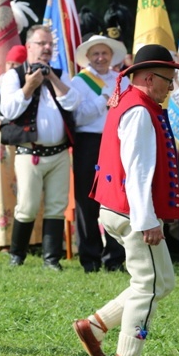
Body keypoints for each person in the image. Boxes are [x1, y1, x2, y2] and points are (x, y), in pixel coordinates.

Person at [73, 44, 179, 356]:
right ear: (149, 78)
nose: (172, 86)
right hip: (132, 212)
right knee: (148, 285)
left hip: (121, 208)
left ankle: (95, 326)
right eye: (168, 79)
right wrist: (148, 221)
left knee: (161, 282)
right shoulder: (139, 111)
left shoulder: (134, 104)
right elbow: (138, 171)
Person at [0, 25, 81, 271]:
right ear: (29, 46)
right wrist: (29, 86)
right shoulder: (15, 75)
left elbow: (73, 102)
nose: (47, 48)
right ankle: (17, 256)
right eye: (41, 43)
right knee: (28, 205)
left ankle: (51, 259)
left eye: (50, 44)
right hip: (29, 152)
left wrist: (52, 78)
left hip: (58, 152)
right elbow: (9, 111)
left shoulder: (59, 73)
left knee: (57, 205)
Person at [0, 45, 43, 251]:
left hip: (25, 142)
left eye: (17, 64)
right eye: (10, 64)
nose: (12, 68)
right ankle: (1, 238)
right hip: (0, 143)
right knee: (1, 191)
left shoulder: (33, 84)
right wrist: (9, 125)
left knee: (26, 191)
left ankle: (31, 239)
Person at [71, 34, 129, 273]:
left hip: (116, 141)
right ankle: (90, 257)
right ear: (88, 58)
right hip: (88, 142)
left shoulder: (123, 80)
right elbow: (78, 116)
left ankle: (115, 256)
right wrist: (102, 100)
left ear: (111, 56)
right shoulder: (79, 82)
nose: (100, 58)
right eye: (95, 54)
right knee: (86, 200)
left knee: (115, 197)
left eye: (104, 53)